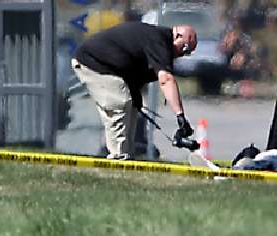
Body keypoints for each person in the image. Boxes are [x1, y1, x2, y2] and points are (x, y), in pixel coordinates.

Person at [71, 21, 198, 160]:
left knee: (131, 107)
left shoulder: (160, 43)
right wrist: (180, 116)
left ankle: (126, 158)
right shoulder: (159, 40)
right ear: (177, 35)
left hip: (112, 69)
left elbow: (135, 73)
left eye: (188, 53)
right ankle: (118, 159)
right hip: (93, 61)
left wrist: (135, 96)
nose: (182, 54)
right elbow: (166, 79)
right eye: (184, 48)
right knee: (119, 103)